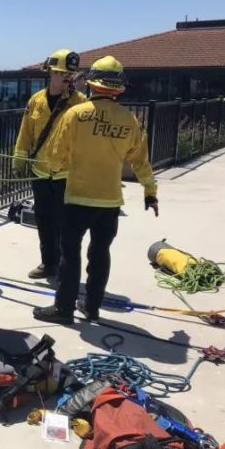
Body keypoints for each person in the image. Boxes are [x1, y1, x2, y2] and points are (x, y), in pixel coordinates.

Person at [32, 56, 159, 325]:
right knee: (100, 253)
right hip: (110, 201)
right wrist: (150, 191)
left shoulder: (75, 115)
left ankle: (64, 308)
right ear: (118, 88)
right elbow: (141, 161)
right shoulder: (129, 120)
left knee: (71, 252)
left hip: (77, 197)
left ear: (91, 84)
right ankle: (91, 307)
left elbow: (56, 155)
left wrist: (54, 171)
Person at [12, 49, 86, 280]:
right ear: (51, 73)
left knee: (65, 225)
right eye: (63, 74)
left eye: (70, 75)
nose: (67, 79)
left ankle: (65, 266)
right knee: (44, 220)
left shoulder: (80, 103)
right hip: (40, 173)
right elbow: (26, 133)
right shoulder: (36, 101)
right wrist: (18, 162)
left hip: (66, 174)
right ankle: (48, 263)